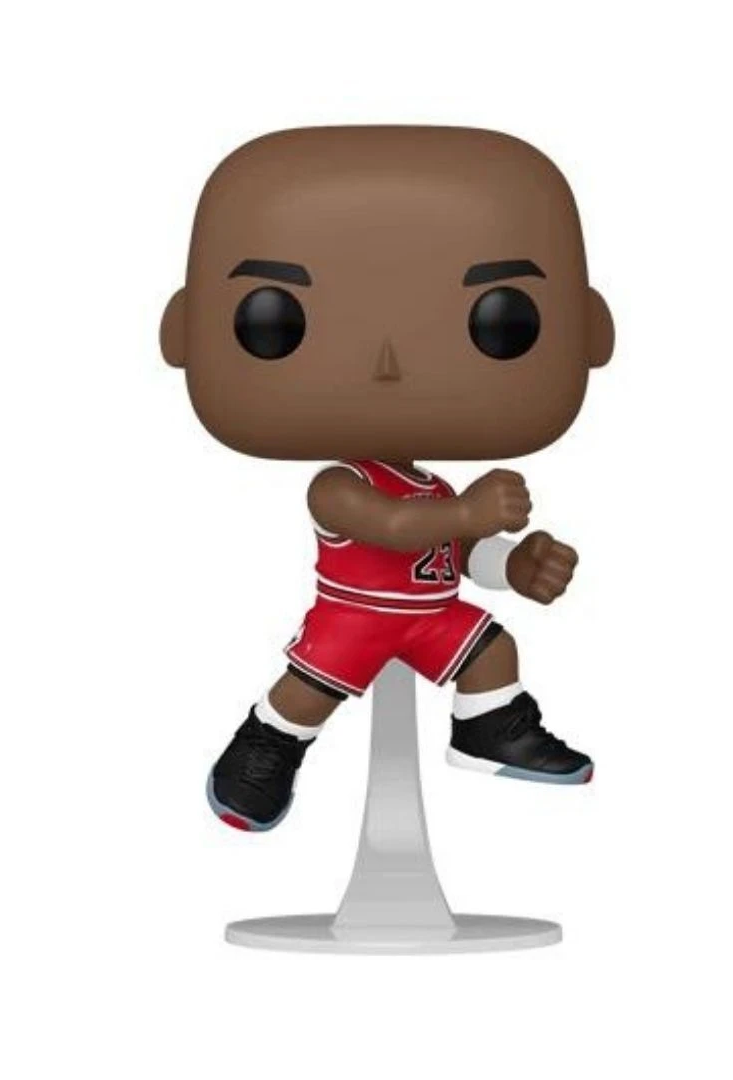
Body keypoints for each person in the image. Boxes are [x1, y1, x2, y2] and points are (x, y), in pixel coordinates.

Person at [160, 126, 615, 831]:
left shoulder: (434, 487)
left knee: (493, 648)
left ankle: (488, 730)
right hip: (356, 622)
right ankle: (266, 745)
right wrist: (469, 514)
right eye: (275, 321)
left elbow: (452, 553)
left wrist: (512, 565)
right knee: (307, 696)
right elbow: (396, 528)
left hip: (431, 618)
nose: (388, 364)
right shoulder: (337, 484)